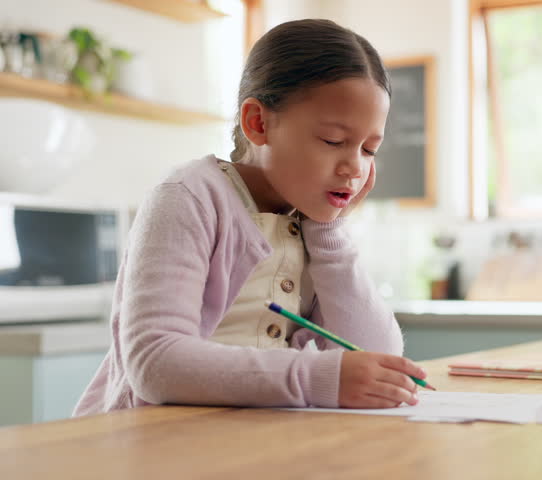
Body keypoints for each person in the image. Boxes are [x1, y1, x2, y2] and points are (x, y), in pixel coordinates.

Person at [74, 19, 427, 416]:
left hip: (246, 438)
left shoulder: (309, 222)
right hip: (149, 442)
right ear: (258, 123)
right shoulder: (190, 196)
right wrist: (313, 378)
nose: (354, 168)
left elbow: (375, 357)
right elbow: (155, 362)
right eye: (333, 141)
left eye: (368, 149)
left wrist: (329, 230)